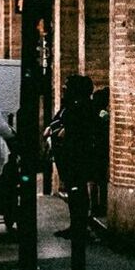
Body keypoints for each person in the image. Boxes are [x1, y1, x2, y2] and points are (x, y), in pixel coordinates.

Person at [46, 75, 103, 235]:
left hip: (78, 156)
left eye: (67, 87)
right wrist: (53, 127)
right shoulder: (71, 106)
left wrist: (65, 130)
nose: (64, 89)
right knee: (74, 191)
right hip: (68, 156)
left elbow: (75, 129)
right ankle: (76, 225)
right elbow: (58, 120)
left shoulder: (83, 107)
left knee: (78, 191)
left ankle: (79, 227)